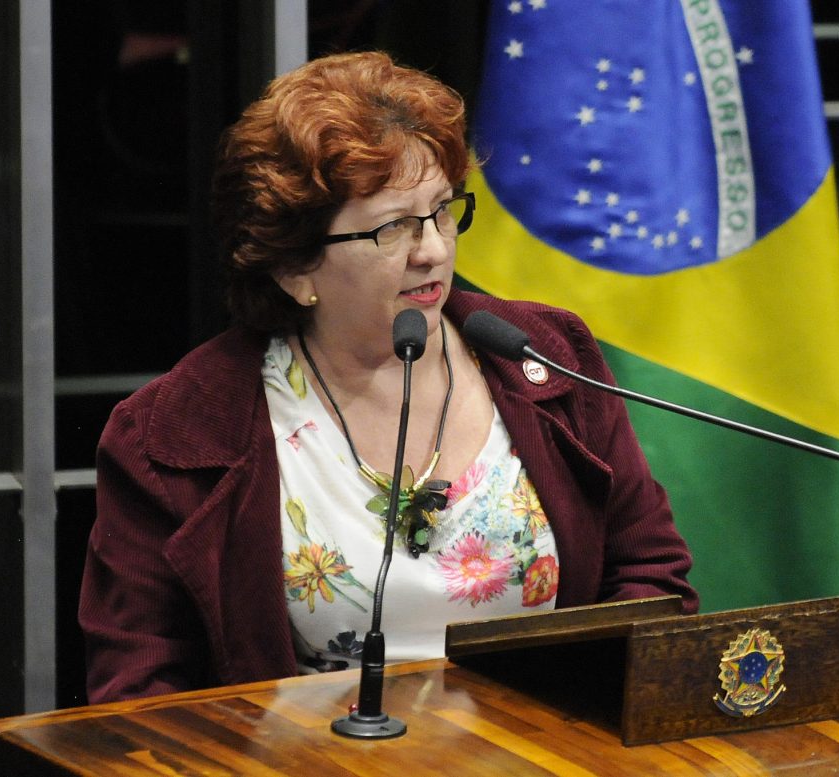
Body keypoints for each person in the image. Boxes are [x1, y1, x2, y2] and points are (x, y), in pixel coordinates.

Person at [79, 50, 698, 704]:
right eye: (392, 228)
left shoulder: (546, 358)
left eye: (441, 210)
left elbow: (652, 578)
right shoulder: (173, 434)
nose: (431, 248)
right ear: (293, 266)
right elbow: (138, 694)